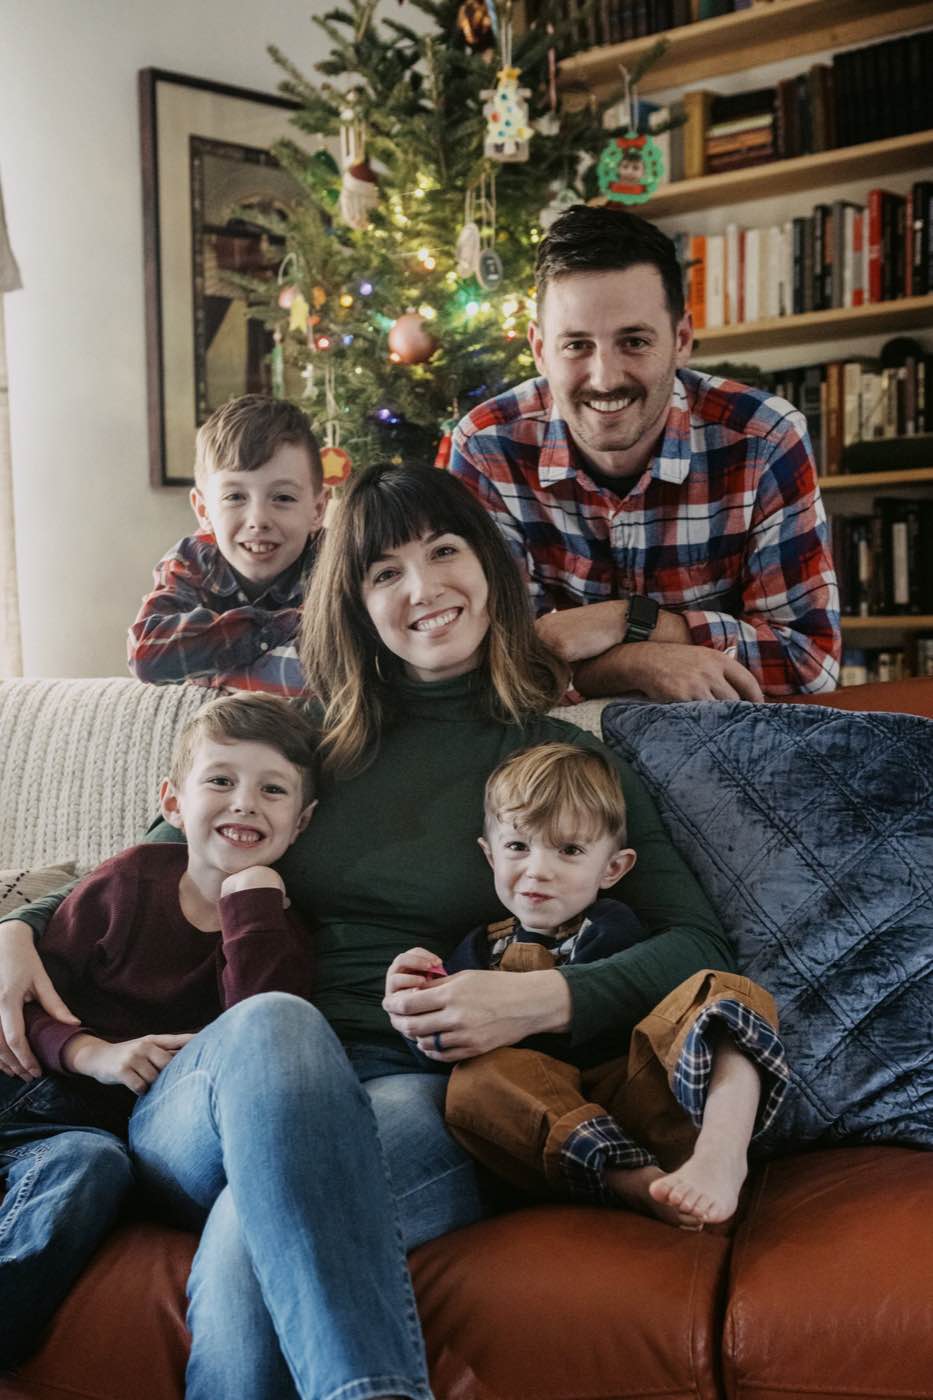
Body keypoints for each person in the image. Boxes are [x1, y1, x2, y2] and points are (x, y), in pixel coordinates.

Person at [1, 463, 737, 1400]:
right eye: (383, 572)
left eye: (442, 551)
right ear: (353, 601)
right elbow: (155, 857)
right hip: (211, 1100)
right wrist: (16, 927)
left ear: (488, 567)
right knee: (276, 1022)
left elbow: (699, 946)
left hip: (416, 1095)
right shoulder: (304, 746)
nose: (421, 589)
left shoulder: (557, 761)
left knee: (243, 1245)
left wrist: (536, 997)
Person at [0, 693, 325, 1369]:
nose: (244, 803)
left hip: (103, 1144)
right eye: (220, 781)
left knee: (91, 1164)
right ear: (173, 803)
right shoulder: (125, 885)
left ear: (302, 823)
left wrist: (252, 902)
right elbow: (24, 1001)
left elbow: (261, 1030)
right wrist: (93, 1054)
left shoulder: (281, 933)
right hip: (30, 1096)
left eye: (272, 790)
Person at [450, 203, 841, 703]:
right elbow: (484, 664)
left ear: (681, 340)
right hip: (551, 760)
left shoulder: (764, 439)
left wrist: (628, 622)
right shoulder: (487, 447)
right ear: (539, 349)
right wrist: (636, 661)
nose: (605, 377)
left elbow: (809, 663)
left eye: (634, 341)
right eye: (576, 346)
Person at [389, 743, 787, 1228]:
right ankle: (634, 1183)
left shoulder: (611, 926)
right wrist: (416, 1004)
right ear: (489, 855)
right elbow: (440, 1051)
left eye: (569, 850)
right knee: (474, 1085)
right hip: (555, 1123)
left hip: (643, 1091)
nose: (538, 869)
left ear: (613, 869)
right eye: (518, 846)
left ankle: (722, 1154)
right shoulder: (478, 949)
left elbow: (632, 1011)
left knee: (726, 989)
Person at [128, 395, 327, 696]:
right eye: (235, 497)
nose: (258, 520)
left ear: (317, 510)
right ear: (204, 511)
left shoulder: (335, 560)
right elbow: (148, 655)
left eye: (283, 498)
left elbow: (336, 672)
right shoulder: (192, 562)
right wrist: (280, 628)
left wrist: (210, 669)